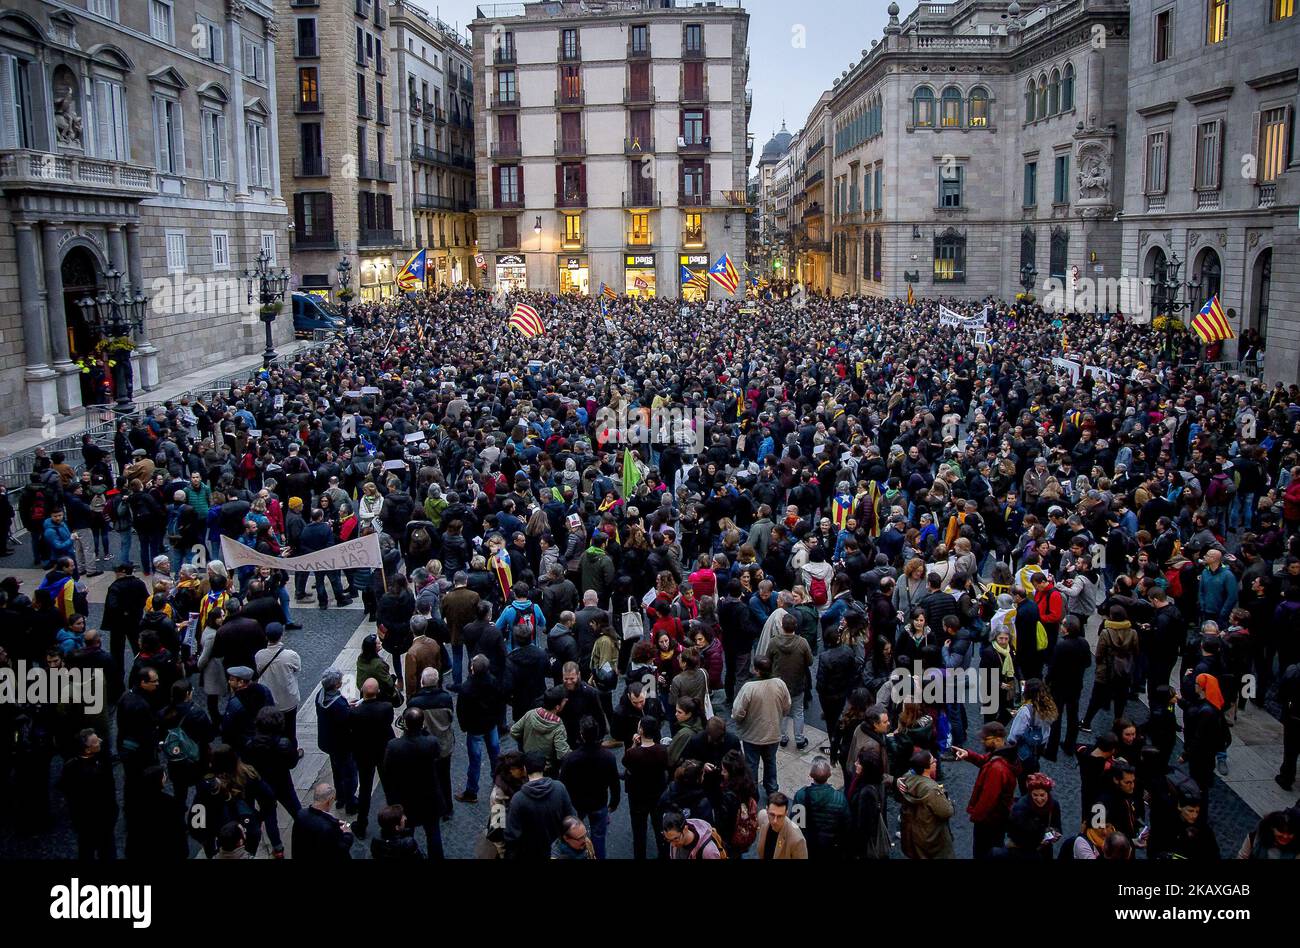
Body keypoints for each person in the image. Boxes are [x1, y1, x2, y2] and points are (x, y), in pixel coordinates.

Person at [381, 708, 446, 859]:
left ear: (405, 723)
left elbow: (387, 773)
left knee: (406, 834)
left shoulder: (394, 746)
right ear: (422, 724)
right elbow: (438, 757)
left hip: (405, 799)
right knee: (433, 834)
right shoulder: (431, 742)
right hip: (429, 797)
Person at [557, 716, 621, 859]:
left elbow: (562, 783)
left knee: (575, 838)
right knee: (599, 839)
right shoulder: (608, 756)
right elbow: (614, 782)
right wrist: (614, 802)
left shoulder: (570, 758)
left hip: (577, 803)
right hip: (599, 802)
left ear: (581, 734)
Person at [955, 722, 1021, 858]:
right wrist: (968, 755)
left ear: (997, 739)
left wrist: (976, 816)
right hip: (997, 819)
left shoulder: (997, 768)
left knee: (983, 852)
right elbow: (986, 759)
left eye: (986, 739)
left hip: (990, 821)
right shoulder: (1005, 753)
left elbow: (988, 799)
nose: (982, 741)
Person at [730, 655, 791, 797]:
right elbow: (787, 705)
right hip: (773, 733)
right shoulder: (779, 684)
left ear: (756, 670)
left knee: (751, 764)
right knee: (770, 762)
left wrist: (739, 720)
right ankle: (772, 789)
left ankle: (752, 792)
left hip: (752, 736)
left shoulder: (749, 687)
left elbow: (738, 712)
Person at [504, 751, 578, 860]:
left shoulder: (518, 799)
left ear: (524, 769)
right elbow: (572, 817)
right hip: (557, 851)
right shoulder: (559, 788)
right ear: (544, 767)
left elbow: (512, 835)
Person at [58, 729, 118, 860]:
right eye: (96, 742)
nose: (100, 743)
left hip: (99, 818)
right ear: (87, 749)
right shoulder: (79, 768)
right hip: (90, 819)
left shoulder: (99, 759)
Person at [348, 677, 395, 838]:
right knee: (389, 787)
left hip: (364, 755)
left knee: (365, 790)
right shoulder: (386, 708)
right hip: (383, 752)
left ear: (362, 691)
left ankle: (361, 824)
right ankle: (394, 821)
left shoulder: (354, 712)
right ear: (378, 692)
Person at [456, 653, 507, 803]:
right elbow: (500, 702)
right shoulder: (493, 682)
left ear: (472, 669)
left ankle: (471, 792)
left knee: (475, 760)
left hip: (475, 728)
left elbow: (461, 711)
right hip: (490, 725)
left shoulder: (466, 688)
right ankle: (498, 780)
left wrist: (464, 727)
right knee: (495, 754)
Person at [407, 666, 455, 819]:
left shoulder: (415, 702)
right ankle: (448, 808)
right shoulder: (446, 699)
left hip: (422, 745)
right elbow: (450, 718)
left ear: (422, 682)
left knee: (424, 777)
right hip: (444, 744)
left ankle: (427, 807)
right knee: (444, 778)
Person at [623, 715, 670, 859]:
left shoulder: (633, 753)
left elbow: (625, 761)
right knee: (659, 829)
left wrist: (633, 744)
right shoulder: (662, 750)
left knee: (639, 832)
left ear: (641, 731)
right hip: (657, 795)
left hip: (637, 797)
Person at [898, 749, 955, 859]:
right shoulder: (931, 789)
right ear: (926, 768)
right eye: (933, 761)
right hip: (930, 836)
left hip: (913, 835)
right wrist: (949, 801)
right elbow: (946, 812)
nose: (936, 762)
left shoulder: (906, 778)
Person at [252, 622, 301, 747]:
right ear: (281, 635)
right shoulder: (291, 655)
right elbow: (297, 669)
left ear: (266, 637)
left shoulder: (259, 655)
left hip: (270, 701)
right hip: (288, 700)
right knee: (290, 731)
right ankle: (292, 752)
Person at [791, 758, 847, 860]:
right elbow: (846, 826)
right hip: (830, 847)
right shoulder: (840, 799)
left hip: (808, 845)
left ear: (811, 775)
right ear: (829, 775)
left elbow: (795, 824)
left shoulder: (801, 795)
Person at [291, 783, 355, 860]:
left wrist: (334, 821)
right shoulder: (328, 828)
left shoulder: (301, 814)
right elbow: (341, 849)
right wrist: (347, 834)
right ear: (329, 800)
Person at [754, 791, 809, 860]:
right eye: (772, 815)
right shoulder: (762, 816)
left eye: (780, 816)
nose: (775, 821)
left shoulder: (797, 839)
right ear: (767, 810)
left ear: (786, 813)